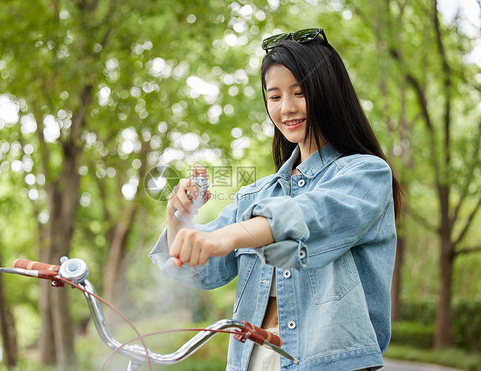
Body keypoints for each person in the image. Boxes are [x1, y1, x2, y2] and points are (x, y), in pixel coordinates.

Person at [149, 28, 401, 371]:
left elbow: (314, 215)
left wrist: (229, 235)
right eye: (275, 96)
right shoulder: (256, 194)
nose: (287, 108)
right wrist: (179, 218)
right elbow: (202, 271)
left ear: (328, 93)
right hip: (251, 360)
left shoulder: (366, 174)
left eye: (300, 92)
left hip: (329, 362)